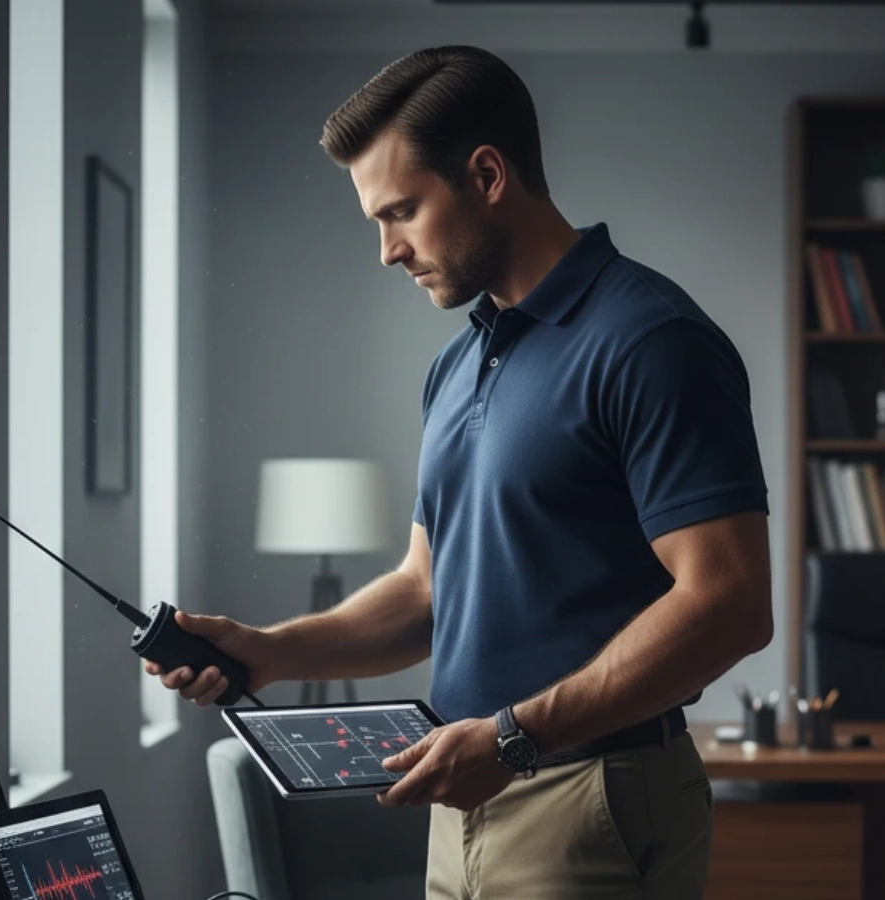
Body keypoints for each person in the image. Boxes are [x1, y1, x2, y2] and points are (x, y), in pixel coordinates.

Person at [146, 45, 772, 900]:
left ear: (485, 175)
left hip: (588, 797)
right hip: (464, 798)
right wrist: (271, 651)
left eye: (400, 211)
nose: (386, 250)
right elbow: (427, 591)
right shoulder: (457, 365)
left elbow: (731, 601)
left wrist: (515, 737)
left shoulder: (651, 341)